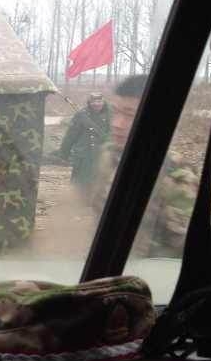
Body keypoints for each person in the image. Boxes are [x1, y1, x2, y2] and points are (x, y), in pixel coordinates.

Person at [91, 75, 199, 258]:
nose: (117, 124)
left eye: (130, 115)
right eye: (115, 112)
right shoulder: (108, 155)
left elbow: (179, 251)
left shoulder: (178, 177)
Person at [58, 92, 112, 194]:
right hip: (84, 155)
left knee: (100, 183)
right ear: (89, 102)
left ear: (103, 102)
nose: (97, 104)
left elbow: (114, 132)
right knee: (79, 184)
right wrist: (64, 154)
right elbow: (70, 136)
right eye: (94, 101)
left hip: (102, 154)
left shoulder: (110, 114)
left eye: (99, 101)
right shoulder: (81, 115)